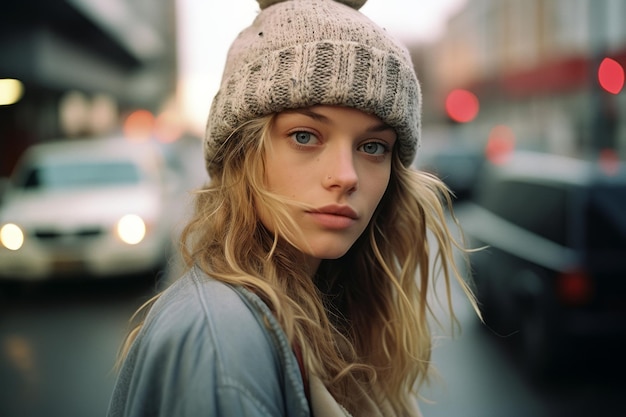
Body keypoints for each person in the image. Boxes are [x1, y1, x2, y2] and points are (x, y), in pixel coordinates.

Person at [107, 0, 478, 416]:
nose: (345, 175)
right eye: (305, 136)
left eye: (373, 147)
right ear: (242, 153)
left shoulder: (331, 317)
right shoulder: (223, 342)